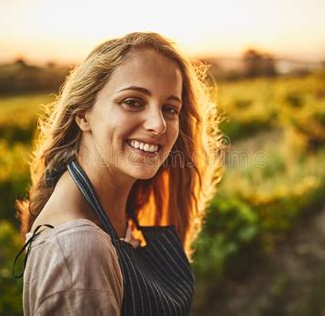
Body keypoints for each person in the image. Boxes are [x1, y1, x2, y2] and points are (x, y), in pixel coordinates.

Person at [13, 32, 226, 315]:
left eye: (170, 108)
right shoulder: (79, 248)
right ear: (83, 114)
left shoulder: (117, 213)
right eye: (133, 101)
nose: (158, 125)